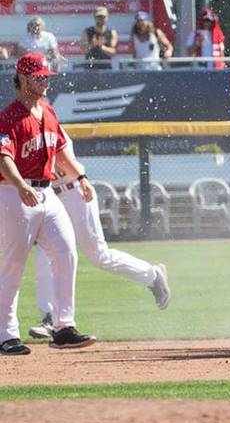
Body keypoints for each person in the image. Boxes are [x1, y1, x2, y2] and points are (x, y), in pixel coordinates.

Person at [27, 127, 171, 340]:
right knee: (45, 253)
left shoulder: (49, 125)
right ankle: (49, 318)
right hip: (50, 196)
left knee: (98, 255)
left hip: (74, 192)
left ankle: (152, 275)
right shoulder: (21, 129)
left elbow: (56, 159)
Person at [1, 54, 97, 355]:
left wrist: (80, 176)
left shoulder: (48, 111)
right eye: (39, 76)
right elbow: (3, 158)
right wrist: (20, 185)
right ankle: (5, 334)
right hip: (13, 194)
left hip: (47, 193)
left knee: (66, 253)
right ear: (23, 79)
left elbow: (59, 151)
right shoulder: (9, 117)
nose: (45, 81)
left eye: (46, 76)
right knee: (13, 264)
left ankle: (63, 327)